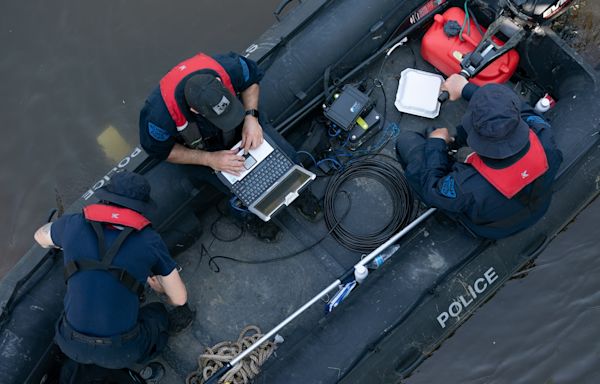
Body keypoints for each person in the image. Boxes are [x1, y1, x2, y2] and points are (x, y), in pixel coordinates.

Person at [138, 51, 320, 241]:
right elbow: (161, 150)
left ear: (219, 82)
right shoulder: (158, 116)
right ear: (193, 110)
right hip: (205, 148)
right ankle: (250, 216)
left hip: (243, 123)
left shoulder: (228, 66)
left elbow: (250, 82)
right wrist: (210, 159)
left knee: (285, 157)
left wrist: (251, 117)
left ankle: (300, 193)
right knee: (237, 189)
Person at [34, 171, 192, 372]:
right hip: (120, 354)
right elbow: (179, 299)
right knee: (158, 313)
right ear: (142, 207)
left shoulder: (73, 224)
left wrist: (66, 242)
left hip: (70, 344)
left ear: (105, 198)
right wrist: (161, 290)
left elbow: (40, 237)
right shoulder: (149, 240)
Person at [395, 74, 563, 239]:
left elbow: (433, 189)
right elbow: (520, 110)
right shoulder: (543, 135)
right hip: (537, 206)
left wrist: (436, 144)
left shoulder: (465, 186)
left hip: (492, 227)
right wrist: (465, 89)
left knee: (406, 142)